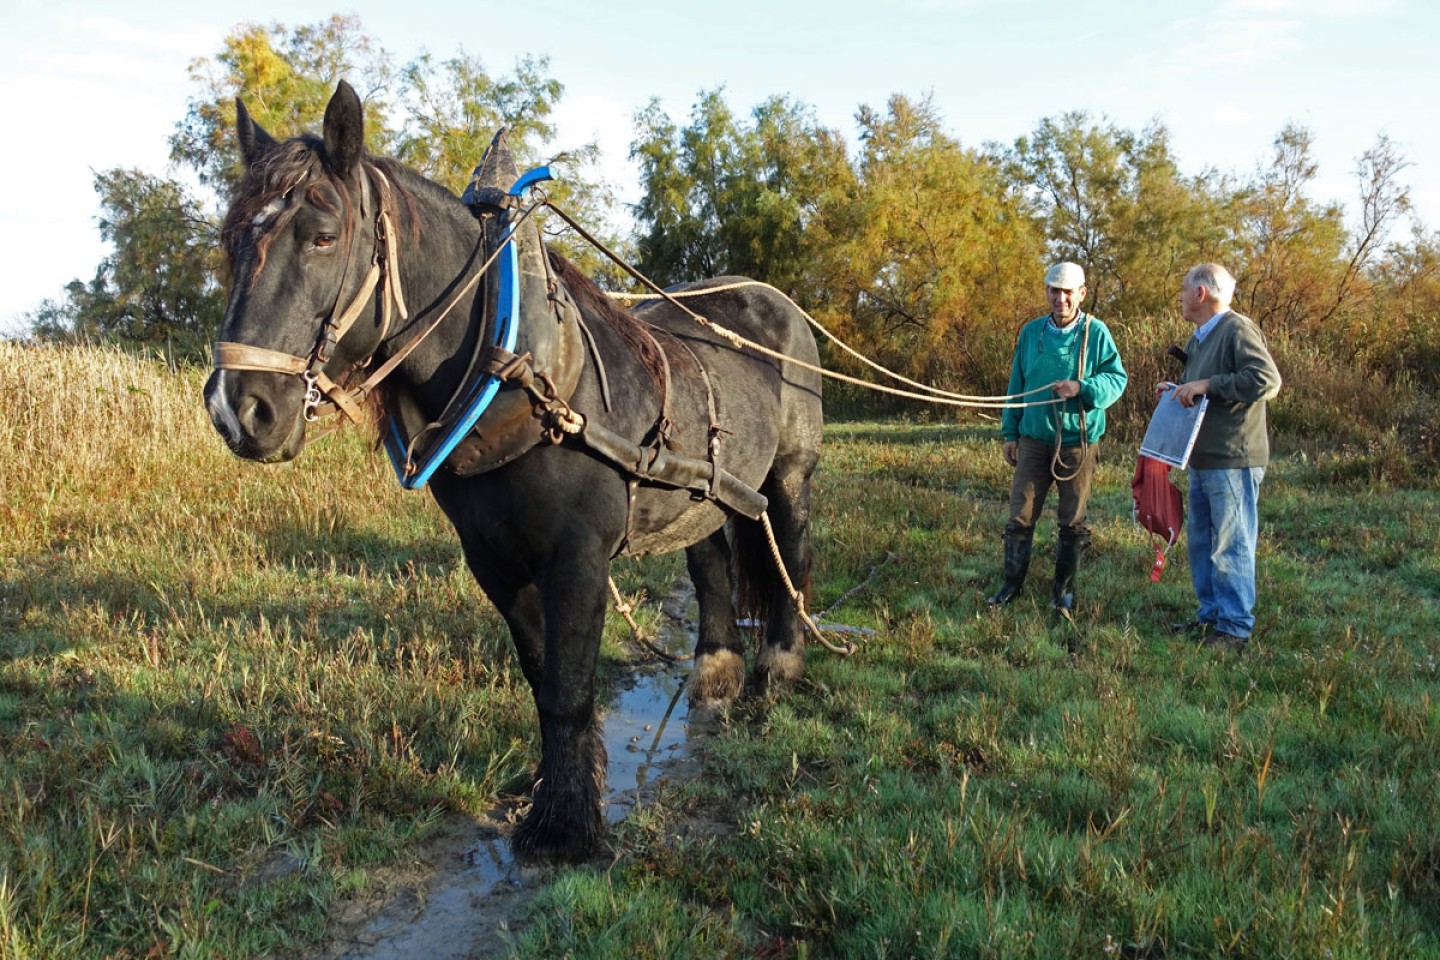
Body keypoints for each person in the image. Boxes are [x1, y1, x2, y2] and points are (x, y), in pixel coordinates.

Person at [987, 261, 1128, 614]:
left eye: (1068, 292)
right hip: (1034, 438)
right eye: (1054, 290)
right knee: (1020, 513)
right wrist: (1010, 431)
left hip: (1077, 442)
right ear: (1046, 291)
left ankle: (1063, 592)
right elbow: (1016, 385)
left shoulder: (1097, 334)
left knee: (1072, 518)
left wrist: (1083, 387)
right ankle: (1011, 585)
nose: (1060, 298)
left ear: (1081, 294)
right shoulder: (1031, 332)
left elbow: (1116, 379)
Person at [1161, 263, 1282, 650]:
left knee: (1232, 542)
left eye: (1183, 289)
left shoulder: (1236, 329)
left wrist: (1207, 384)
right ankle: (1210, 615)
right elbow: (1203, 384)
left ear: (1201, 293)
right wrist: (1180, 388)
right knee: (1201, 542)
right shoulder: (1200, 337)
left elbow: (1266, 380)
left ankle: (1234, 627)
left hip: (1233, 456)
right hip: (1203, 456)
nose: (1179, 296)